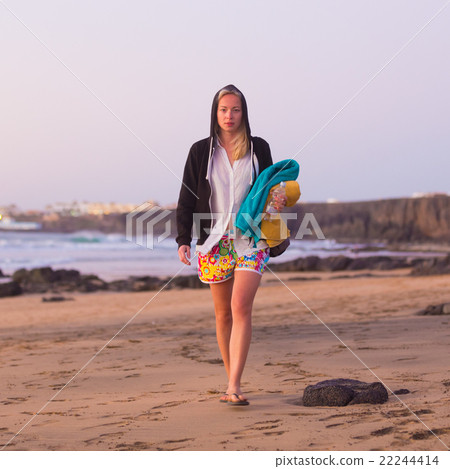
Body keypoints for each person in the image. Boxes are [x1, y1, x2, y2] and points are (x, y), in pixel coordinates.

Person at [176, 84, 286, 406]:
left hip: (251, 238)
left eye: (235, 109)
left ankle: (235, 384)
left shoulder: (258, 148)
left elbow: (271, 188)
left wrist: (277, 199)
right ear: (215, 112)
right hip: (213, 240)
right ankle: (231, 383)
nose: (229, 115)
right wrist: (183, 239)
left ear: (243, 112)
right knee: (223, 315)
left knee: (241, 307)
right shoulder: (200, 152)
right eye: (224, 110)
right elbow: (186, 197)